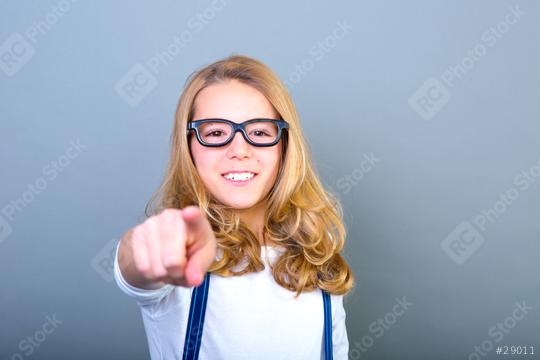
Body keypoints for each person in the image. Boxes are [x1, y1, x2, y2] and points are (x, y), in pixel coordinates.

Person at [114, 54, 355, 359]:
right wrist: (153, 248)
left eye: (259, 132)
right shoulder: (181, 252)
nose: (239, 150)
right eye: (215, 133)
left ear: (284, 145)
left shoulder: (316, 256)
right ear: (189, 147)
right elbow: (137, 261)